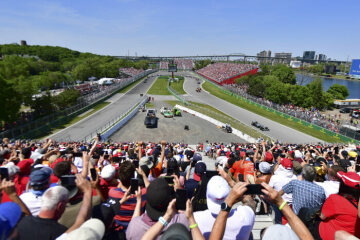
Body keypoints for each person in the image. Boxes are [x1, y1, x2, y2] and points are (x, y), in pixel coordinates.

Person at [16, 175, 93, 240]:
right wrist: (88, 191)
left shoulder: (23, 222)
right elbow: (81, 221)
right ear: (60, 206)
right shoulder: (60, 232)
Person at [108, 161, 147, 231]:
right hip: (136, 228)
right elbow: (150, 188)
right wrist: (143, 175)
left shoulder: (112, 192)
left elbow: (119, 186)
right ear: (133, 176)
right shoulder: (143, 193)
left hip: (118, 229)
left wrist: (122, 180)